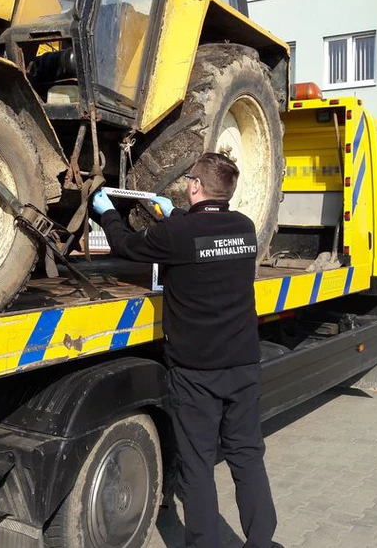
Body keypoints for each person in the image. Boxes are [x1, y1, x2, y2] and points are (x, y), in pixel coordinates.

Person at [91, 152, 282, 548]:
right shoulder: (244, 228)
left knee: (196, 466)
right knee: (247, 455)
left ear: (195, 186)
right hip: (244, 363)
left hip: (196, 371)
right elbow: (203, 237)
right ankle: (261, 540)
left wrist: (106, 212)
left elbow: (127, 246)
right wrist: (175, 216)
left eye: (190, 180)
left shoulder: (177, 236)